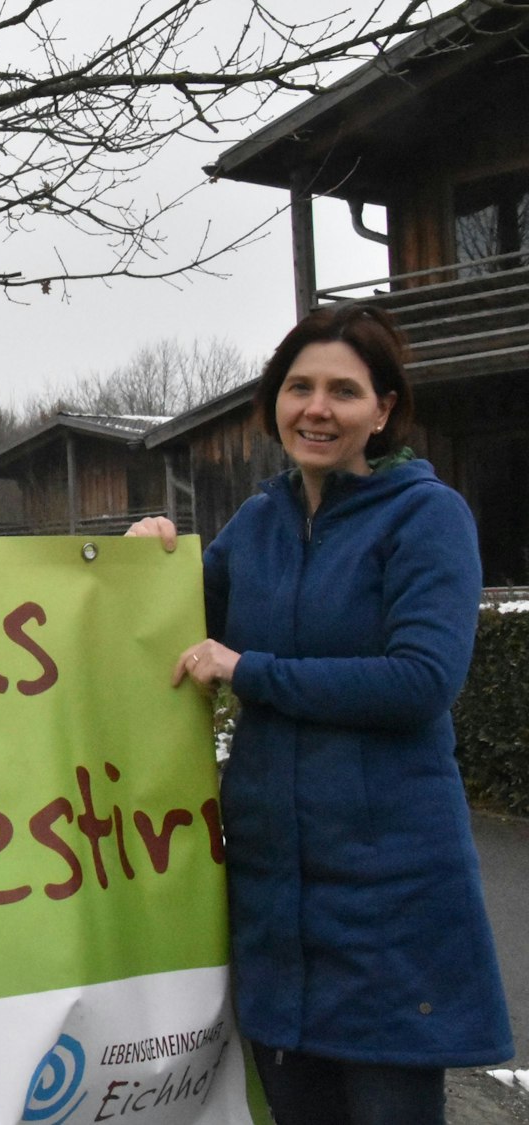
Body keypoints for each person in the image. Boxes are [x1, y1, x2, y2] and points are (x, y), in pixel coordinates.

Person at [126, 304, 511, 1125]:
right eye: (299, 387)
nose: (317, 408)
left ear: (384, 408)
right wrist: (142, 564)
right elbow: (165, 630)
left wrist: (251, 670)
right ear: (274, 402)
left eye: (344, 390)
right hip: (275, 899)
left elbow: (420, 680)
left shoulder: (426, 516)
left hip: (390, 900)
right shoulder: (257, 524)